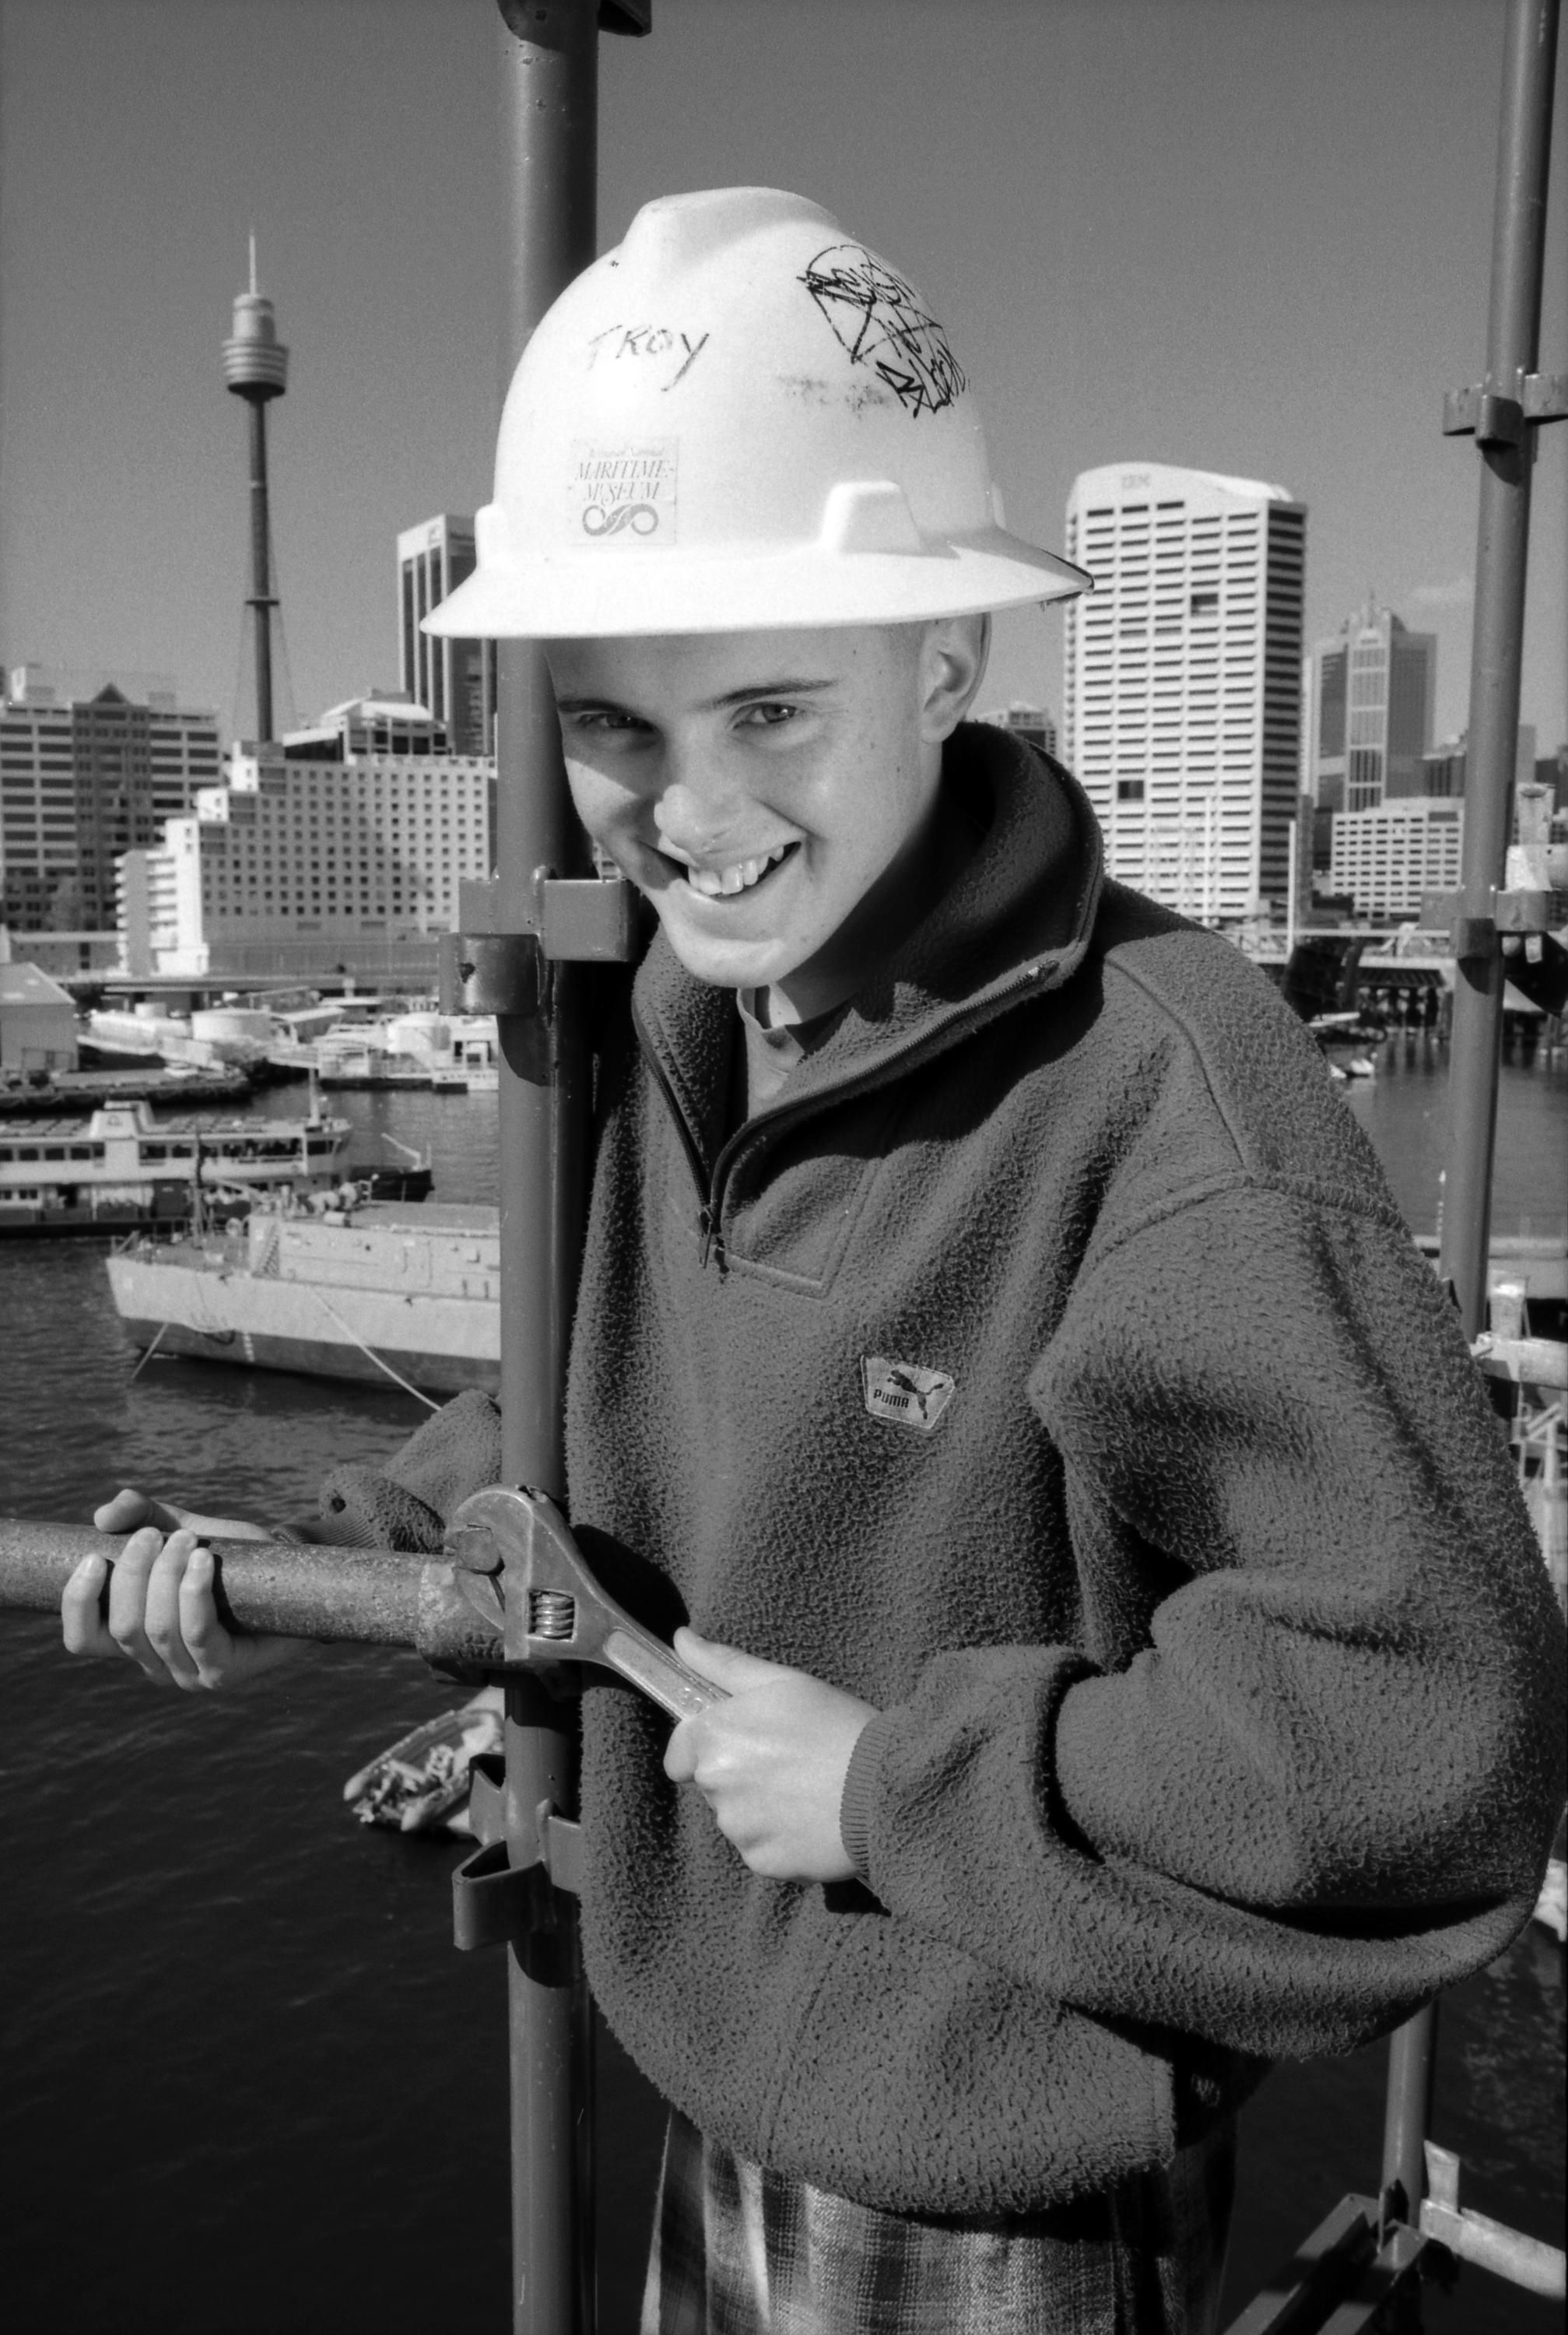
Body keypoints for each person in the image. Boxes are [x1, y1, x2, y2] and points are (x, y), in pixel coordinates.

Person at [63, 190, 1565, 2333]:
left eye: (774, 712)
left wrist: (891, 1785)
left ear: (946, 666)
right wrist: (320, 1534)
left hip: (1001, 2174)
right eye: (620, 731)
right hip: (730, 2071)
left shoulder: (1169, 1106)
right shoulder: (661, 1022)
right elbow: (627, 1401)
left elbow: (1435, 1732)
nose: (693, 816)